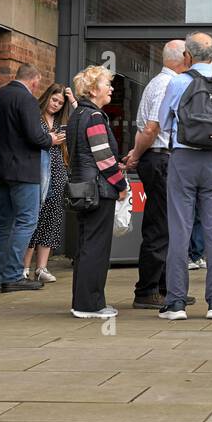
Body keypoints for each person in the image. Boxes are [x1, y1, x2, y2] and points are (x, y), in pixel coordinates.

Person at [157, 32, 212, 321]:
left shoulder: (178, 82)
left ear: (187, 57)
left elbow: (164, 122)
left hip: (184, 158)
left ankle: (176, 303)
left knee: (180, 230)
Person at [121, 40, 188, 310]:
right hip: (160, 158)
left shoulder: (159, 83)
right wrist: (136, 155)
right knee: (160, 226)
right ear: (182, 57)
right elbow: (151, 128)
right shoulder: (167, 85)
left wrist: (137, 152)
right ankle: (148, 290)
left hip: (158, 157)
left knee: (165, 225)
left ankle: (163, 287)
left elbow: (147, 130)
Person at [0, 64, 62, 292]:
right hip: (23, 170)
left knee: (4, 221)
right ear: (35, 81)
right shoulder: (26, 99)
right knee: (26, 220)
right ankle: (12, 276)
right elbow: (35, 136)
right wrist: (51, 140)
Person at [66, 66, 130, 318]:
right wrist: (121, 184)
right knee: (96, 248)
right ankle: (90, 304)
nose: (111, 88)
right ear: (93, 90)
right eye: (107, 84)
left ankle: (82, 301)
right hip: (99, 191)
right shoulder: (93, 116)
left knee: (86, 246)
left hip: (83, 189)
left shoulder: (78, 114)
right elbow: (103, 157)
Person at [23, 82, 76, 284]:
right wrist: (49, 140)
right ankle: (24, 267)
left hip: (58, 173)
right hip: (37, 173)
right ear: (47, 97)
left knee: (51, 219)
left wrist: (72, 101)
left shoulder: (63, 121)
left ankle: (42, 268)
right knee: (32, 219)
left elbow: (82, 120)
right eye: (54, 100)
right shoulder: (35, 117)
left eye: (60, 103)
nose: (56, 105)